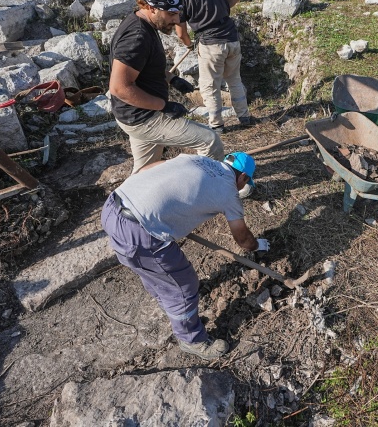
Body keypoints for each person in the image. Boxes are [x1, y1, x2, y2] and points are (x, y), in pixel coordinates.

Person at [100, 151, 270, 360]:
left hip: (113, 205)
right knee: (183, 285)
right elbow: (243, 240)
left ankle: (171, 307)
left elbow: (147, 169)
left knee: (153, 271)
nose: (243, 187)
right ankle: (191, 339)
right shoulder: (229, 192)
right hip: (138, 233)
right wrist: (256, 246)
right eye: (245, 183)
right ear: (243, 177)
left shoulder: (195, 159)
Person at [109, 0, 224, 174]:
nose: (177, 19)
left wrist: (172, 79)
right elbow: (119, 87)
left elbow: (143, 68)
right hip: (144, 117)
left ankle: (131, 203)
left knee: (146, 171)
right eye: (171, 13)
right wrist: (164, 106)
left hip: (134, 114)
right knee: (209, 140)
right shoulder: (137, 37)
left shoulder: (143, 23)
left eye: (178, 12)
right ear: (151, 7)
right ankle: (211, 189)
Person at [161, 0, 255, 134]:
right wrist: (221, 11)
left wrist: (189, 44)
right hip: (232, 38)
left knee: (209, 86)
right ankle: (245, 117)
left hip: (211, 43)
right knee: (234, 80)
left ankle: (217, 126)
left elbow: (181, 32)